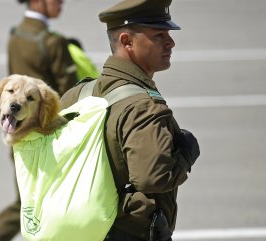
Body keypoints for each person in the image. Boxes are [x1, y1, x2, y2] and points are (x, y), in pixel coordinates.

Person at [60, 0, 200, 241]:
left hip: (77, 230)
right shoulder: (143, 107)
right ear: (127, 41)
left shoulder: (77, 94)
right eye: (159, 35)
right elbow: (153, 177)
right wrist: (186, 153)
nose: (170, 42)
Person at [0, 0, 79, 241]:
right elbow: (71, 93)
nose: (62, 4)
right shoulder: (53, 42)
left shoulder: (15, 35)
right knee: (42, 200)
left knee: (26, 197)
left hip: (16, 130)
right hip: (46, 134)